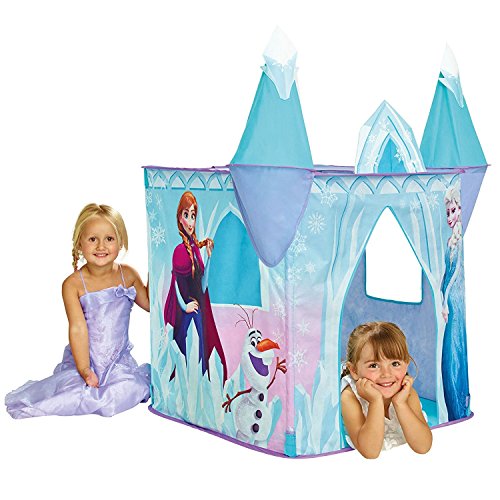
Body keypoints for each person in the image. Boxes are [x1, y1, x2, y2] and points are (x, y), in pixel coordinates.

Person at [5, 203, 150, 418]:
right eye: (92, 239)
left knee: (133, 388)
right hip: (85, 359)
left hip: (118, 362)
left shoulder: (127, 275)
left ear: (121, 242)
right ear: (79, 243)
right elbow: (78, 328)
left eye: (109, 239)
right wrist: (85, 370)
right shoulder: (73, 284)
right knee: (75, 393)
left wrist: (157, 267)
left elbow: (150, 304)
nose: (101, 246)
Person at [340, 321, 432, 458]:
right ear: (354, 370)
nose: (386, 374)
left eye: (395, 363)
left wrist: (400, 403)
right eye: (374, 365)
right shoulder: (349, 397)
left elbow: (423, 446)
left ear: (406, 365)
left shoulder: (406, 394)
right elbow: (370, 452)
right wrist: (375, 402)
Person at [164, 191, 227, 382]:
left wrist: (209, 258)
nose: (190, 221)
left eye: (193, 216)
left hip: (198, 311)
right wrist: (185, 306)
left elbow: (202, 286)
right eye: (186, 215)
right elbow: (175, 283)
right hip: (185, 314)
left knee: (201, 351)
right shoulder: (179, 251)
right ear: (179, 218)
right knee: (186, 354)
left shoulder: (195, 249)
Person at [441, 185, 470, 420]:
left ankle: (458, 406)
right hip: (448, 298)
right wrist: (441, 294)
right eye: (448, 212)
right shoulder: (451, 240)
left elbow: (455, 273)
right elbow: (445, 274)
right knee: (449, 350)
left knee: (454, 349)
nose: (450, 217)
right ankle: (452, 405)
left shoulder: (458, 242)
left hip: (454, 300)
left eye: (453, 211)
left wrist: (446, 299)